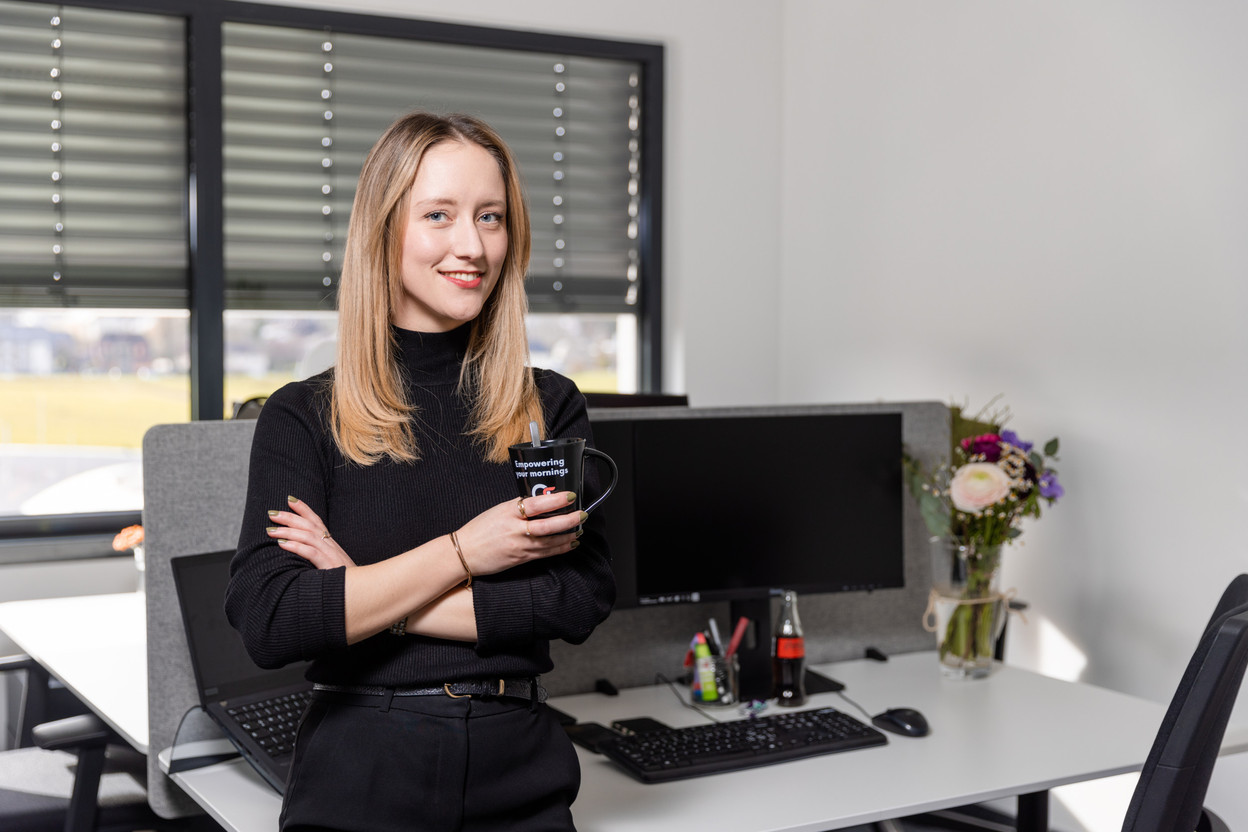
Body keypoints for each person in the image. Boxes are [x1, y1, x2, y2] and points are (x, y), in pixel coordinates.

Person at [225, 111, 615, 832]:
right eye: (439, 214)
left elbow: (576, 599)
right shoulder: (305, 414)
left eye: (491, 217)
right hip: (361, 764)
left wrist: (363, 590)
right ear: (384, 230)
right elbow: (273, 619)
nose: (473, 245)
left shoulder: (544, 406)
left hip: (519, 764)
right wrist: (464, 553)